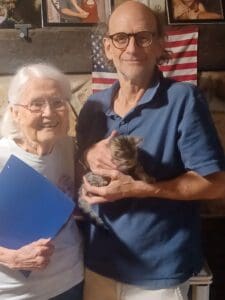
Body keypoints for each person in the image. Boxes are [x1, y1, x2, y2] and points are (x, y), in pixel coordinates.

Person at [76, 1, 225, 300]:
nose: (132, 47)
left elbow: (217, 185)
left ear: (159, 44)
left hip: (157, 273)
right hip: (98, 263)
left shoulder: (184, 100)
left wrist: (143, 189)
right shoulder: (93, 106)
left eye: (143, 36)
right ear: (107, 47)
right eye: (121, 38)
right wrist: (88, 154)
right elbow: (78, 168)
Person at [0, 63, 83, 299]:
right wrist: (11, 257)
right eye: (36, 104)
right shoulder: (2, 157)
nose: (49, 113)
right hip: (14, 293)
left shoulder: (68, 147)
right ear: (15, 112)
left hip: (71, 282)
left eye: (57, 102)